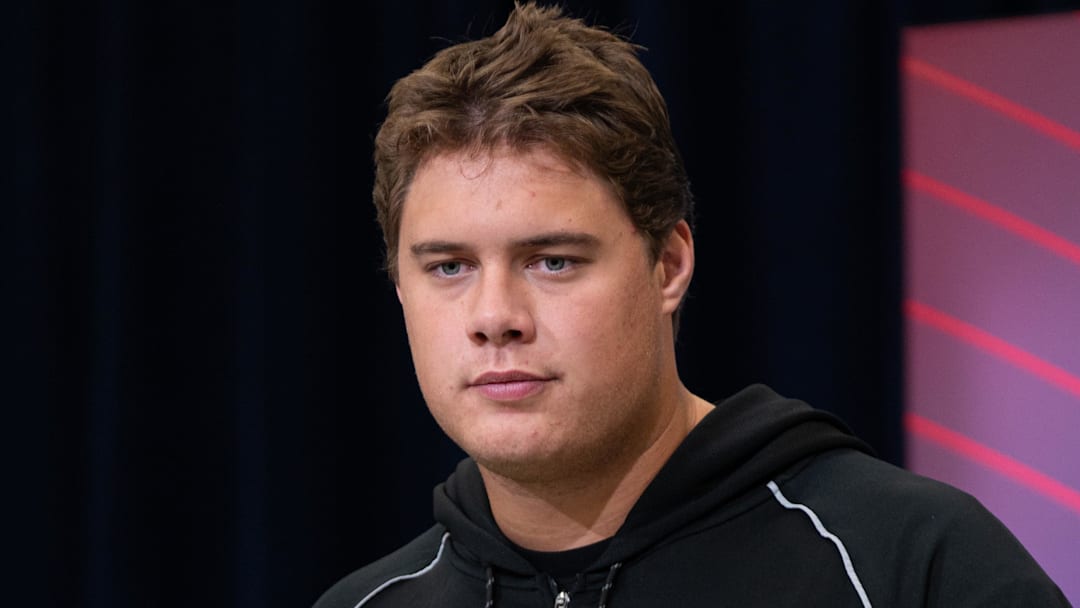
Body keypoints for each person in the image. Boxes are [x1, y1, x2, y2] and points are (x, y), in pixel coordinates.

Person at [314, 3, 1069, 606]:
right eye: (449, 267)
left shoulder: (906, 561)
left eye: (552, 260)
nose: (494, 316)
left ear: (668, 265)